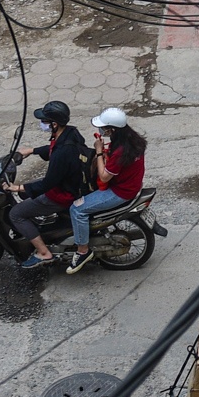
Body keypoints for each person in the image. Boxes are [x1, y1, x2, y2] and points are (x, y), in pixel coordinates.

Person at [0, 101, 94, 270]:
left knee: (16, 213)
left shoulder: (62, 153)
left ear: (54, 124)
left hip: (62, 194)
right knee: (29, 192)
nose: (43, 124)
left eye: (45, 121)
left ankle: (43, 253)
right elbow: (53, 148)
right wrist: (32, 150)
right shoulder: (70, 133)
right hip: (72, 183)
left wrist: (18, 187)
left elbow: (48, 183)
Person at [66, 108, 147, 274]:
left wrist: (98, 151)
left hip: (121, 192)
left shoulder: (120, 152)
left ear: (112, 129)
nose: (101, 130)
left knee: (77, 209)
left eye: (104, 127)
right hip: (132, 184)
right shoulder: (133, 140)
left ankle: (82, 251)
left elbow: (103, 177)